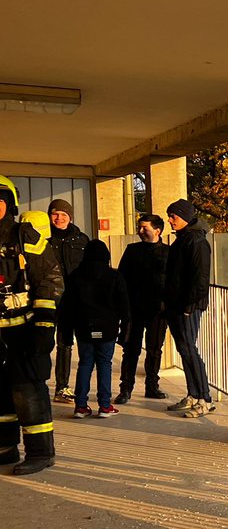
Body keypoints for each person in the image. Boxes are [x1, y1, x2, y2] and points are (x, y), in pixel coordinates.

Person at [0, 177, 64, 476]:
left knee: (27, 391)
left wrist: (44, 325)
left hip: (24, 329)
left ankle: (40, 452)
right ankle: (4, 447)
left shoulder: (23, 234)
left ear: (10, 204)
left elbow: (49, 279)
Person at [59, 240, 129, 419]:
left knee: (85, 363)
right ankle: (104, 405)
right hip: (107, 328)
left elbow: (67, 307)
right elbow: (124, 306)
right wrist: (125, 331)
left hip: (83, 327)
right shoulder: (114, 276)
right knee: (105, 364)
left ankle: (80, 406)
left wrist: (66, 334)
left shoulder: (76, 276)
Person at [163, 199, 214, 418]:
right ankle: (193, 394)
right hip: (176, 305)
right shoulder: (182, 239)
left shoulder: (196, 241)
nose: (169, 220)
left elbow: (200, 279)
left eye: (173, 216)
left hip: (187, 307)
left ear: (184, 216)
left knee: (190, 350)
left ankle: (205, 399)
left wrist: (189, 306)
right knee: (184, 350)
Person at [116, 213, 170, 403]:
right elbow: (121, 279)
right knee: (131, 350)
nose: (140, 231)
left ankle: (152, 386)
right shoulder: (132, 251)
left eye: (144, 228)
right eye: (139, 227)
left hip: (158, 310)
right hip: (134, 309)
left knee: (155, 349)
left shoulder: (169, 252)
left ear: (157, 230)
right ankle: (125, 389)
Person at [47, 198, 89, 403]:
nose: (59, 218)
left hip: (74, 299)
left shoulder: (82, 239)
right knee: (43, 343)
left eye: (63, 214)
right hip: (48, 298)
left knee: (66, 343)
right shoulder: (42, 238)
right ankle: (37, 383)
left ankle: (62, 387)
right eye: (55, 214)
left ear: (70, 217)